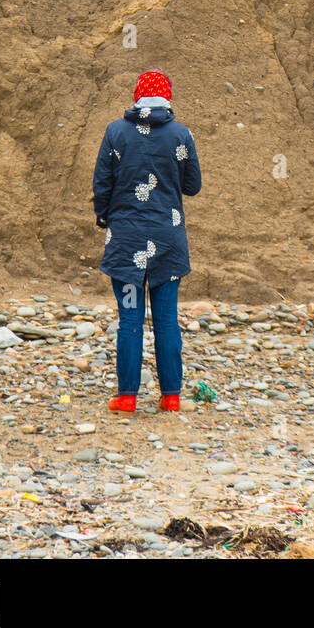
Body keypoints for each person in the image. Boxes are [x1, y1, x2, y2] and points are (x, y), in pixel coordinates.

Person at [92, 69, 202, 413]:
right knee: (167, 319)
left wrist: (104, 216)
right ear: (167, 96)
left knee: (129, 319)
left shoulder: (115, 132)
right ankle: (171, 397)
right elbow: (192, 186)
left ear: (137, 95)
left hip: (125, 240)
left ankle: (127, 397)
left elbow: (102, 184)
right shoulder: (181, 134)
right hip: (168, 241)